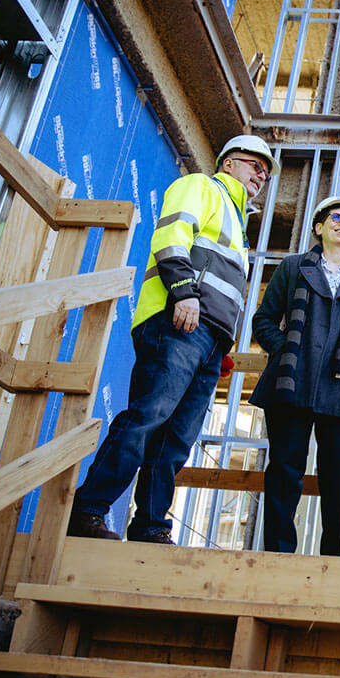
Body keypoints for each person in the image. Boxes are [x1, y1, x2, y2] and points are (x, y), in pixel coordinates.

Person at [66, 135, 278, 543]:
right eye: (256, 165)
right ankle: (88, 509)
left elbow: (223, 287)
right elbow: (170, 238)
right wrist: (182, 291)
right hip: (177, 321)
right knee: (147, 417)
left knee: (176, 440)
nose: (261, 176)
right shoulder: (202, 187)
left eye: (266, 173)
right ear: (229, 162)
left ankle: (149, 527)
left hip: (207, 338)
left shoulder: (238, 222)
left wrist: (224, 344)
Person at [248, 196, 340, 556]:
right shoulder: (294, 267)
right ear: (319, 227)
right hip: (291, 385)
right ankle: (279, 555)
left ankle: (335, 559)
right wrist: (285, 351)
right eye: (337, 218)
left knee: (339, 474)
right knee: (284, 469)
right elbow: (263, 320)